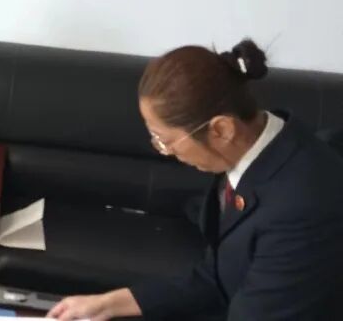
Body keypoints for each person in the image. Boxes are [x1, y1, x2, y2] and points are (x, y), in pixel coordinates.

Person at [49, 40, 343, 321]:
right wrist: (109, 303)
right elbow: (219, 275)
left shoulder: (302, 207)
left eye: (166, 141)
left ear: (222, 130)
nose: (165, 152)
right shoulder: (256, 150)